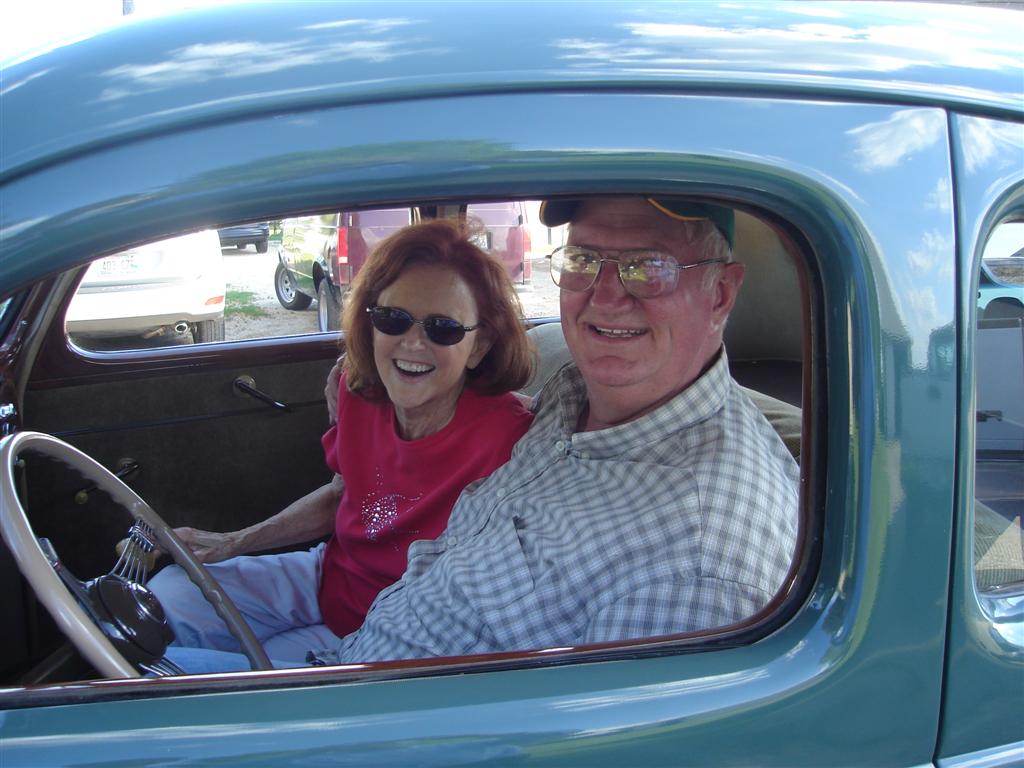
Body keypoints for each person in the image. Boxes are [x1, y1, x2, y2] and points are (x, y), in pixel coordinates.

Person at [170, 196, 799, 671]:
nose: (606, 297)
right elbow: (355, 491)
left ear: (721, 292)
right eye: (584, 260)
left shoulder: (701, 566)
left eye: (648, 267)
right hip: (360, 620)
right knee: (156, 611)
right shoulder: (574, 400)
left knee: (141, 693)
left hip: (372, 705)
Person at [150, 219, 535, 663]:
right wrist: (234, 541)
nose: (412, 343)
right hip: (329, 576)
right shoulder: (359, 391)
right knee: (164, 597)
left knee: (174, 671)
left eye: (443, 328)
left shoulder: (513, 439)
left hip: (397, 629)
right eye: (393, 319)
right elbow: (343, 495)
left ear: (480, 346)